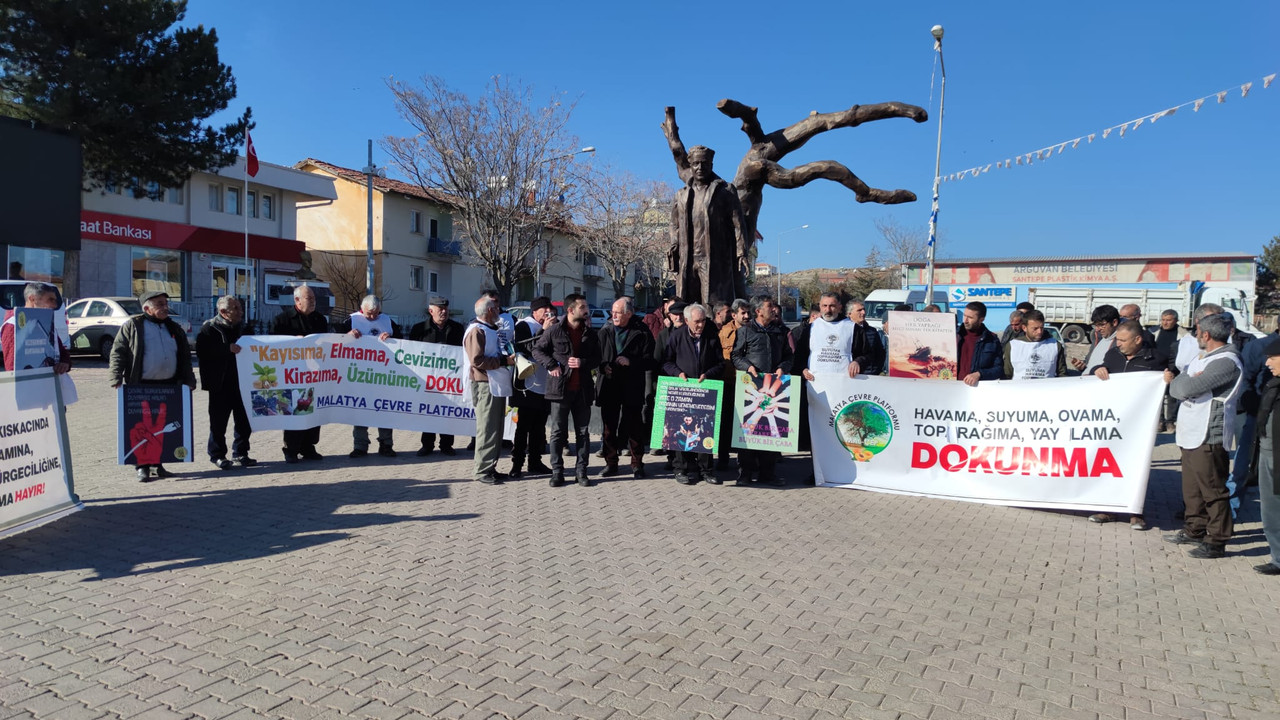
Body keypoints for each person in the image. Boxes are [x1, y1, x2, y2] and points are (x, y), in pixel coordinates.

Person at [1165, 313, 1244, 559]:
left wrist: (1181, 381)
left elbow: (1182, 389)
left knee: (1213, 490)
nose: (1196, 336)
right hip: (1191, 431)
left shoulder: (1226, 361)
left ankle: (1216, 540)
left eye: (1198, 332)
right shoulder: (1204, 357)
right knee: (1192, 488)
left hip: (1209, 435)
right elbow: (1184, 385)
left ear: (1206, 335)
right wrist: (1184, 381)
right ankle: (1194, 528)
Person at [1087, 320, 1174, 530]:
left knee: (1135, 467)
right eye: (1117, 339)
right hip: (1112, 421)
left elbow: (1173, 382)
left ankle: (1135, 512)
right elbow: (1096, 375)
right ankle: (1107, 507)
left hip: (1139, 425)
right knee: (1109, 464)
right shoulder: (1113, 355)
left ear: (1138, 340)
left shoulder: (1157, 358)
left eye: (1123, 340)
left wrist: (1170, 378)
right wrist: (1098, 369)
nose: (1118, 343)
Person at [109, 291, 197, 482]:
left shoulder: (173, 327)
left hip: (169, 387)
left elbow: (184, 357)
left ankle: (159, 464)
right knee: (142, 427)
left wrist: (190, 380)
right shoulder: (133, 326)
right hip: (142, 386)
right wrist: (115, 377)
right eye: (160, 304)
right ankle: (142, 466)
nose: (165, 307)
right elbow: (118, 352)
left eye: (166, 303)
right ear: (146, 308)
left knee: (161, 426)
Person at [533, 294, 602, 487]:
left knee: (583, 432)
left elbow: (598, 357)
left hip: (583, 390)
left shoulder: (590, 332)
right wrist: (551, 365)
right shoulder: (555, 331)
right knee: (557, 432)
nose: (586, 310)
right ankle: (557, 472)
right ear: (571, 310)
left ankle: (581, 471)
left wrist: (584, 363)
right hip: (560, 389)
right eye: (583, 307)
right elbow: (537, 350)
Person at [668, 145, 748, 304]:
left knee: (713, 304)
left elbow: (738, 224)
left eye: (704, 163)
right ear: (690, 165)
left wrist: (742, 252)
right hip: (687, 257)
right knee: (686, 304)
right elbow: (673, 224)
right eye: (696, 163)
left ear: (711, 165)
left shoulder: (725, 190)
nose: (700, 167)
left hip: (714, 257)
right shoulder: (681, 194)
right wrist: (674, 244)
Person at [731, 295, 793, 487]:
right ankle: (745, 474)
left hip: (775, 388)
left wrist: (783, 367)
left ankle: (768, 473)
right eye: (769, 307)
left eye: (774, 306)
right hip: (751, 388)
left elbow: (789, 356)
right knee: (749, 432)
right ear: (758, 311)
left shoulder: (780, 332)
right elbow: (736, 355)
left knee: (770, 431)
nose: (774, 309)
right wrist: (748, 367)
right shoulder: (746, 331)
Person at [662, 303, 724, 485]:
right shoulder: (677, 337)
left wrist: (708, 374)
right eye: (697, 321)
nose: (701, 325)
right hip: (683, 390)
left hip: (705, 390)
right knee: (680, 430)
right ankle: (681, 469)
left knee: (705, 431)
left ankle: (706, 470)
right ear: (687, 320)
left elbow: (721, 363)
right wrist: (677, 373)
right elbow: (666, 362)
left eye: (703, 321)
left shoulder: (712, 336)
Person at [270, 285, 329, 463]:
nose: (313, 302)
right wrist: (293, 342)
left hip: (314, 373)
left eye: (314, 299)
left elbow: (326, 343)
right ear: (297, 300)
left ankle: (309, 447)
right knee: (294, 411)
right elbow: (272, 346)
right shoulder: (282, 320)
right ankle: (291, 448)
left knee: (313, 410)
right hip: (292, 374)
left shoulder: (320, 319)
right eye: (309, 299)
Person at [596, 297, 655, 478]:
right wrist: (602, 366)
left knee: (634, 426)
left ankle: (637, 464)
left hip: (632, 384)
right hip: (609, 383)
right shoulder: (605, 330)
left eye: (617, 312)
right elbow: (595, 355)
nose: (613, 315)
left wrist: (631, 362)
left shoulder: (642, 332)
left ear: (628, 314)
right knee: (608, 427)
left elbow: (650, 360)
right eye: (612, 311)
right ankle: (611, 463)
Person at [195, 296, 256, 470]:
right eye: (235, 308)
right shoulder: (209, 328)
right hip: (219, 384)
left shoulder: (245, 328)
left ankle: (241, 452)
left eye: (240, 307)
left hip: (243, 382)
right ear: (223, 312)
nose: (240, 311)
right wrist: (226, 349)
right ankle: (217, 455)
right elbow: (202, 351)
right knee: (218, 422)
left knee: (244, 421)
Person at [465, 295, 518, 485]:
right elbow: (477, 360)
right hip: (484, 384)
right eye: (496, 308)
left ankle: (490, 466)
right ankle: (482, 470)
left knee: (496, 428)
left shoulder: (489, 329)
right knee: (487, 429)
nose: (499, 311)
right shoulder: (477, 331)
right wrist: (504, 361)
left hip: (494, 384)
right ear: (489, 311)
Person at [341, 295, 400, 458]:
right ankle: (360, 446)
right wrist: (348, 335)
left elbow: (402, 342)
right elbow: (335, 341)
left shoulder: (387, 321)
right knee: (361, 409)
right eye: (369, 314)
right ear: (362, 309)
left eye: (376, 313)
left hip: (383, 374)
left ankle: (386, 444)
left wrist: (392, 338)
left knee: (385, 409)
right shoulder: (351, 321)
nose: (373, 317)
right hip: (359, 374)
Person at [408, 295, 464, 457]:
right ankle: (427, 445)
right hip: (427, 380)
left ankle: (446, 445)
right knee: (429, 412)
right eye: (440, 309)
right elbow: (410, 352)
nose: (444, 312)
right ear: (430, 310)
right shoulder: (419, 329)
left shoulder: (457, 328)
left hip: (450, 380)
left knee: (447, 412)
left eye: (446, 308)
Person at [509, 297, 555, 477]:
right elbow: (527, 348)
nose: (547, 314)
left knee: (539, 427)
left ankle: (535, 462)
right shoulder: (523, 326)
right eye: (544, 310)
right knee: (523, 427)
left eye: (549, 310)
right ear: (534, 312)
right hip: (528, 384)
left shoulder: (552, 326)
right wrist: (544, 332)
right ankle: (517, 464)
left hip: (546, 383)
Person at [1253, 335, 1280, 575]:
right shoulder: (1273, 382)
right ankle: (1278, 557)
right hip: (1268, 451)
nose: (1268, 363)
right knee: (1271, 507)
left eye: (1272, 358)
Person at [2, 282, 70, 373]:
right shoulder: (12, 325)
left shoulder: (47, 323)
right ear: (32, 299)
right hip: (27, 384)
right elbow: (12, 366)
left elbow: (61, 351)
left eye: (55, 300)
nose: (55, 305)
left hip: (48, 382)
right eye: (50, 300)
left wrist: (64, 363)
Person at [715, 299, 750, 471]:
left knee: (747, 424)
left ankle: (747, 461)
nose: (746, 316)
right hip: (728, 382)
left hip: (749, 384)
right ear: (734, 315)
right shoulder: (724, 332)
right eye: (742, 313)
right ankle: (722, 458)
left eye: (748, 312)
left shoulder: (753, 330)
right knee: (725, 422)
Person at [1002, 309, 1066, 380]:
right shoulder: (1013, 346)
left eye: (1041, 328)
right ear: (1024, 328)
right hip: (1019, 389)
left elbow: (1062, 374)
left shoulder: (1055, 345)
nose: (1039, 331)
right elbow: (1007, 374)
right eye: (1035, 328)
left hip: (1047, 389)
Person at [1153, 310, 1186, 432]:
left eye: (1168, 320)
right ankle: (1160, 421)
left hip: (1174, 369)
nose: (1165, 323)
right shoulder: (1154, 332)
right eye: (1163, 320)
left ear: (1176, 320)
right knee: (1159, 396)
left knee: (1172, 396)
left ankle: (1170, 421)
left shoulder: (1183, 335)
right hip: (1157, 369)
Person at [957, 301, 1002, 387]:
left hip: (977, 389)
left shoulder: (991, 340)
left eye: (970, 317)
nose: (965, 320)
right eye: (964, 315)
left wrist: (979, 374)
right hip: (951, 386)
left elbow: (998, 369)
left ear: (981, 319)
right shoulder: (954, 335)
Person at [1071, 304, 1119, 375]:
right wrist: (1083, 367)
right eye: (1095, 325)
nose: (1097, 329)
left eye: (1101, 325)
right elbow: (1091, 366)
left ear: (1114, 322)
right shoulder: (1099, 339)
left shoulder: (1120, 343)